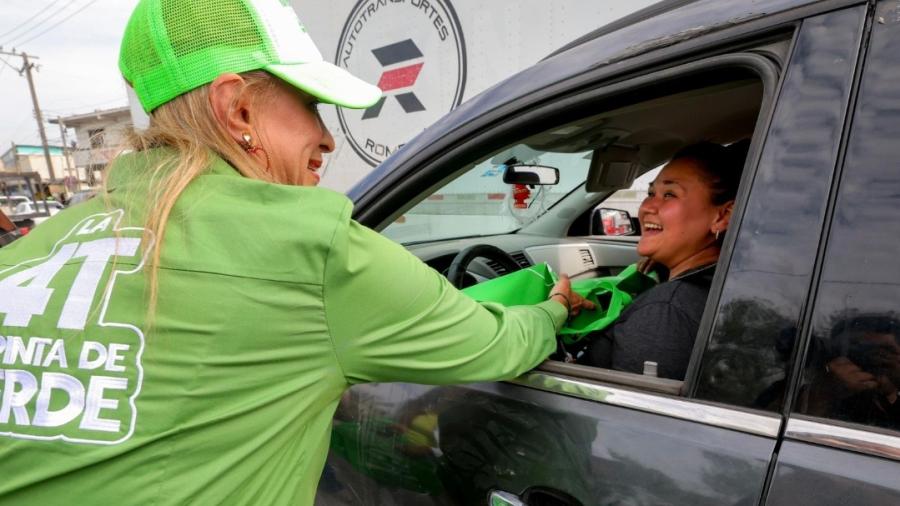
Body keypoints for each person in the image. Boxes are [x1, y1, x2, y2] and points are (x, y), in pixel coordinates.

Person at [0, 1, 591, 504]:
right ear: (237, 108)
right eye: (309, 103)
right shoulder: (310, 249)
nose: (328, 136)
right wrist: (556, 307)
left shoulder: (31, 252)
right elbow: (498, 345)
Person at [579, 142, 744, 380]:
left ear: (722, 216)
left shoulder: (665, 313)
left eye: (669, 195)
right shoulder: (726, 283)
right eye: (650, 194)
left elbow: (627, 413)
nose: (646, 207)